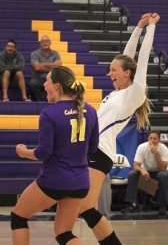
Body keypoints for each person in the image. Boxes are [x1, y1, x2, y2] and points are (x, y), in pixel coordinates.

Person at [79, 13, 160, 245]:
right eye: (110, 69)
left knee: (86, 206)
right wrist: (138, 27)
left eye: (114, 70)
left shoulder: (134, 94)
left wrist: (151, 29)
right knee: (87, 208)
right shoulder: (117, 93)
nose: (109, 73)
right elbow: (128, 57)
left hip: (100, 153)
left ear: (127, 73)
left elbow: (140, 62)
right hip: (89, 150)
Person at [11, 66, 99, 245]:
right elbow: (93, 149)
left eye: (47, 81)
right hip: (81, 181)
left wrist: (23, 152)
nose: (44, 85)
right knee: (64, 233)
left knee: (18, 217)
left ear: (57, 85)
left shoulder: (49, 114)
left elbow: (43, 152)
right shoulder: (90, 111)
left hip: (55, 180)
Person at [121, 130, 168, 215]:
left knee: (164, 176)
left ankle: (162, 206)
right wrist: (142, 170)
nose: (152, 141)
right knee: (132, 174)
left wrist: (156, 153)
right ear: (148, 139)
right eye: (150, 138)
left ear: (159, 140)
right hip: (146, 171)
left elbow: (163, 168)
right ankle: (132, 204)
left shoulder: (164, 149)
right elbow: (136, 165)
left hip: (160, 172)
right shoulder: (142, 147)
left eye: (155, 139)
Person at [29, 35, 62, 101]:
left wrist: (43, 64)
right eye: (43, 41)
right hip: (39, 79)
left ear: (50, 43)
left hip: (52, 79)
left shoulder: (56, 54)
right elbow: (36, 68)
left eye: (47, 41)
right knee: (32, 84)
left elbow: (58, 66)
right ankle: (38, 103)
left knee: (62, 83)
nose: (45, 43)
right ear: (40, 44)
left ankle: (56, 103)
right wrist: (52, 66)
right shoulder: (34, 53)